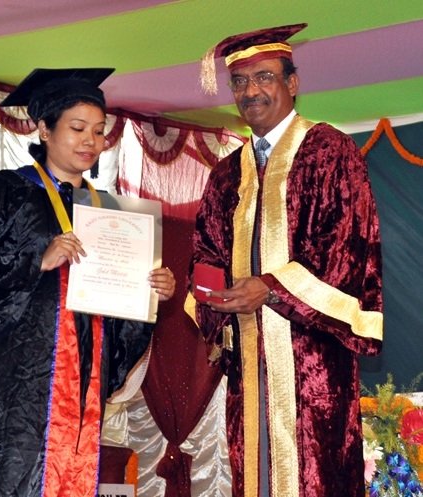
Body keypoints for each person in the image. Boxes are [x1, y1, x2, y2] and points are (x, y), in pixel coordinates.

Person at [0, 68, 176, 497]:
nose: (90, 142)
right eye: (77, 128)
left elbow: (118, 321)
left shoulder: (112, 213)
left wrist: (149, 292)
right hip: (10, 385)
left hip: (80, 386)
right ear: (43, 128)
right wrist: (33, 262)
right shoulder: (2, 193)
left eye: (98, 132)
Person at [184, 24, 383, 497]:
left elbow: (348, 249)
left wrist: (270, 287)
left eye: (264, 77)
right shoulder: (226, 173)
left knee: (315, 476)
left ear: (292, 83)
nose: (251, 91)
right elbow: (205, 251)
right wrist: (211, 295)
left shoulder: (330, 151)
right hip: (248, 369)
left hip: (313, 367)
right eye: (239, 82)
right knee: (252, 474)